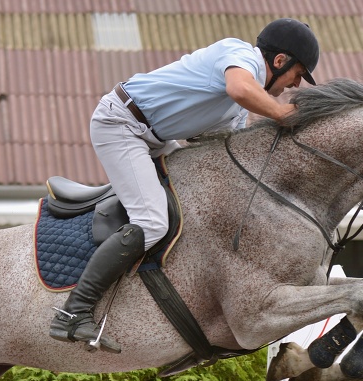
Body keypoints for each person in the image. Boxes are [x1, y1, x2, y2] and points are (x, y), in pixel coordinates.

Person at [50, 18, 320, 351]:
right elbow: (240, 88)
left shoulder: (239, 107)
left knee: (193, 204)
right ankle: (74, 312)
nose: (295, 85)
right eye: (298, 74)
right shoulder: (238, 54)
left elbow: (223, 154)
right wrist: (283, 115)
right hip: (121, 124)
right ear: (280, 61)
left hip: (153, 138)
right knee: (152, 222)